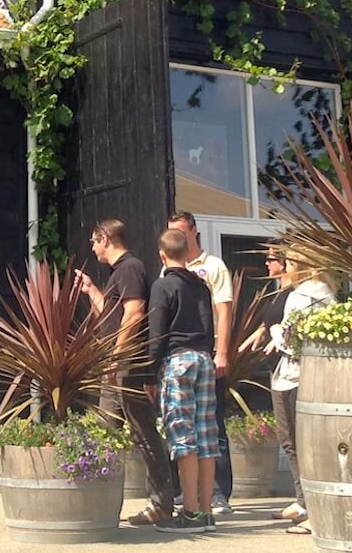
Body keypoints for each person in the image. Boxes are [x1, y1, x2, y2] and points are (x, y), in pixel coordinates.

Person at [75, 219, 176, 527]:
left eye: (94, 241)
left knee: (143, 431)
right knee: (106, 430)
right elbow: (112, 311)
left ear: (106, 239)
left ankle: (162, 504)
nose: (92, 248)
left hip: (127, 365)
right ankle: (96, 502)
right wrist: (92, 290)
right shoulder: (119, 273)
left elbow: (133, 313)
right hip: (116, 365)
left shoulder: (130, 268)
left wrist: (117, 357)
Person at [147, 228, 219, 533]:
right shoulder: (201, 285)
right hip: (204, 359)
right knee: (205, 434)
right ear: (187, 253)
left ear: (162, 255)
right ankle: (205, 511)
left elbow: (157, 332)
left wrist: (149, 373)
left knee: (183, 437)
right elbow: (209, 322)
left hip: (178, 362)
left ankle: (188, 512)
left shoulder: (163, 286)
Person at [264, 251, 337, 535]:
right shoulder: (328, 293)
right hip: (317, 373)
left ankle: (311, 506)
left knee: (296, 441)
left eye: (290, 264)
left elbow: (292, 341)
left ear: (300, 267)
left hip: (294, 375)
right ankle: (304, 501)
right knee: (305, 442)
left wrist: (274, 333)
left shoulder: (300, 296)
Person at [167, 210, 234, 514]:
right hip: (179, 360)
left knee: (212, 424)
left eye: (181, 231)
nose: (178, 237)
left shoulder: (213, 266)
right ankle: (188, 493)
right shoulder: (167, 268)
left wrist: (221, 352)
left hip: (207, 357)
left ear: (194, 231)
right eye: (172, 232)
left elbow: (223, 312)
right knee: (182, 424)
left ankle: (219, 493)